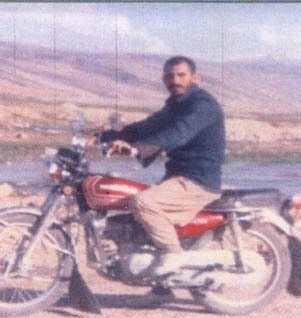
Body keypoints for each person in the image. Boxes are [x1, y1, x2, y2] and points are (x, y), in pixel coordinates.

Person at [93, 55, 226, 303]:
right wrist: (101, 138)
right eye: (169, 76)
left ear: (194, 77)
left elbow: (178, 133)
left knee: (143, 202)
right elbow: (145, 127)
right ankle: (161, 291)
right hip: (178, 176)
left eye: (181, 75)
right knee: (138, 219)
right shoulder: (175, 104)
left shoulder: (202, 105)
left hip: (197, 180)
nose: (175, 80)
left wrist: (137, 149)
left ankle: (173, 255)